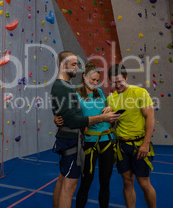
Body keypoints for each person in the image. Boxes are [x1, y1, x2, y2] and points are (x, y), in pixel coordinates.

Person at [50, 52, 120, 208]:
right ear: (84, 77)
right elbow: (70, 115)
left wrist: (110, 109)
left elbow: (67, 110)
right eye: (92, 80)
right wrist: (56, 116)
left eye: (97, 80)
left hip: (105, 139)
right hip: (87, 140)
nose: (95, 83)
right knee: (82, 182)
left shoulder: (99, 93)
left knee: (105, 181)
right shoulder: (73, 91)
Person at [107, 64, 157, 208]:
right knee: (127, 181)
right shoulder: (111, 99)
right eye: (114, 82)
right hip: (122, 146)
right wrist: (107, 117)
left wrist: (146, 144)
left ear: (126, 77)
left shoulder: (140, 92)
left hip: (139, 144)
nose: (117, 85)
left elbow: (150, 118)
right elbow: (112, 125)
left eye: (120, 81)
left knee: (144, 183)